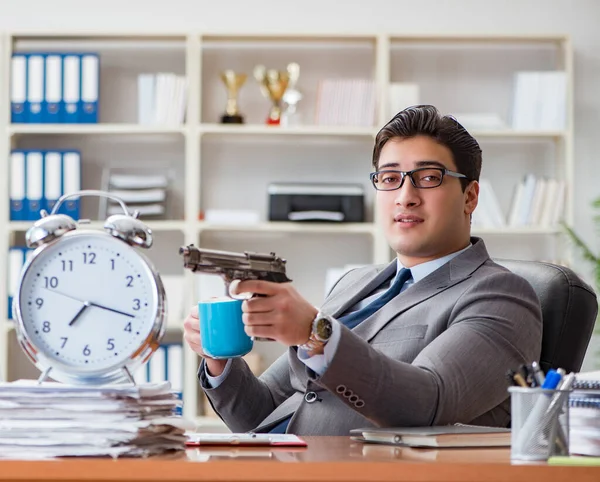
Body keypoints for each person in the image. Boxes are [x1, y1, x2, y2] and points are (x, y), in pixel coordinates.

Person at [183, 104, 543, 436]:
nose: (405, 196)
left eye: (429, 177)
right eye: (389, 179)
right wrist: (218, 358)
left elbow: (427, 403)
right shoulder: (354, 283)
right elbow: (259, 417)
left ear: (470, 197)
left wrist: (314, 333)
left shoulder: (503, 297)